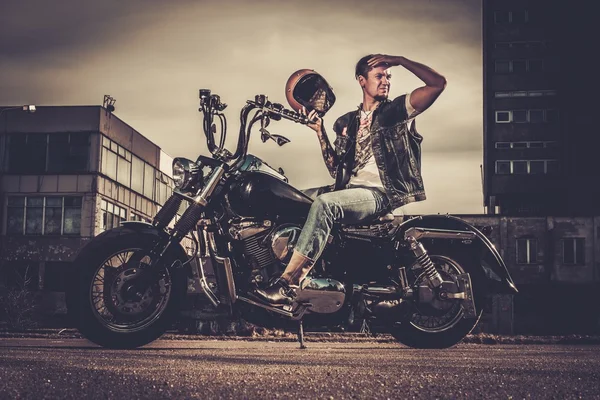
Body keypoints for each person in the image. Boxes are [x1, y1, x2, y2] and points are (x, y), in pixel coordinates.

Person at [254, 54, 446, 305]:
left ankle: (288, 283)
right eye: (379, 76)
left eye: (388, 76)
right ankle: (262, 271)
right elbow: (336, 170)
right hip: (349, 190)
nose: (385, 80)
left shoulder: (396, 111)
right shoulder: (347, 122)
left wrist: (399, 60)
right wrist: (320, 132)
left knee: (325, 204)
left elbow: (437, 84)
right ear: (361, 80)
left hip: (379, 194)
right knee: (286, 197)